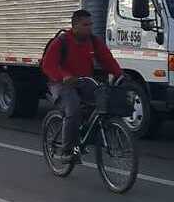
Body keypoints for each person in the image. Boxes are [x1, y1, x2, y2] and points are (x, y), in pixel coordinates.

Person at [41, 9, 122, 163]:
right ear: (75, 26)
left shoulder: (93, 41)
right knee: (74, 110)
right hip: (61, 84)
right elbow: (48, 65)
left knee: (103, 103)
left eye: (91, 24)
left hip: (84, 81)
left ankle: (84, 139)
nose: (89, 27)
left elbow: (107, 59)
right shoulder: (61, 42)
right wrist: (64, 76)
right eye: (85, 25)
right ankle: (67, 151)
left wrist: (120, 74)